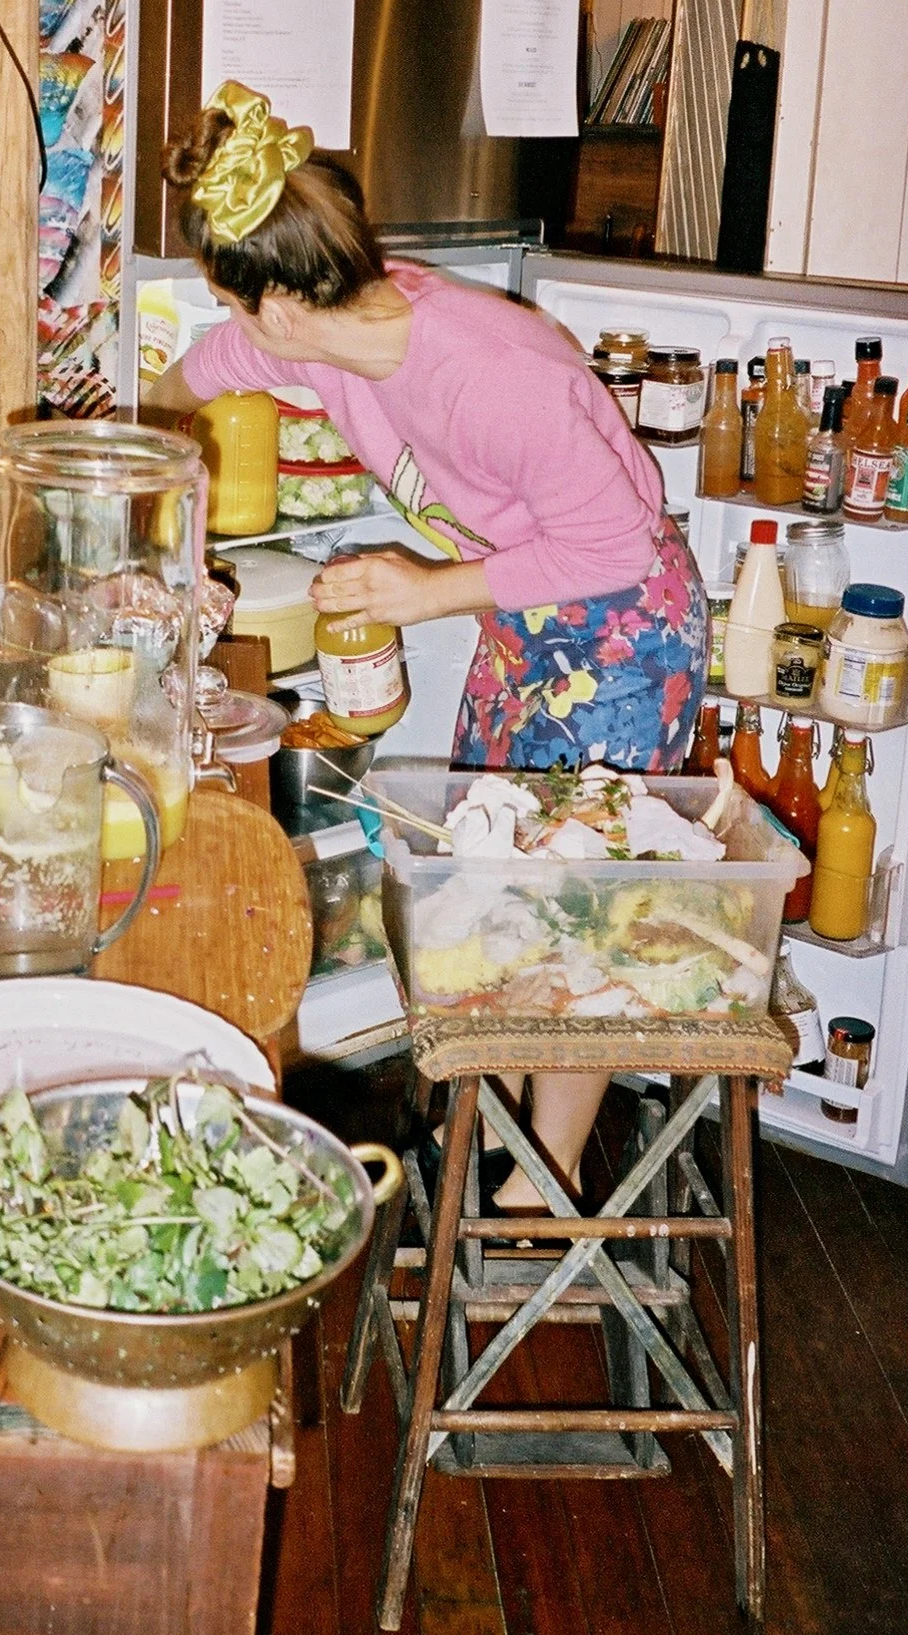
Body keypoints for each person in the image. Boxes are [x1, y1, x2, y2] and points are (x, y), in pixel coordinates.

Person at [147, 81, 709, 1212]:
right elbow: (176, 402)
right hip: (524, 624)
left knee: (572, 915)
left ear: (280, 302)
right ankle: (497, 1129)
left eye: (228, 301)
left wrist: (420, 590)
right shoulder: (318, 343)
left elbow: (608, 548)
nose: (229, 325)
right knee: (498, 878)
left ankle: (535, 1190)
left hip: (622, 631)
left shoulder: (491, 371)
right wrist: (181, 554)